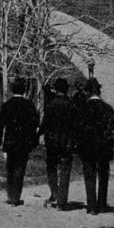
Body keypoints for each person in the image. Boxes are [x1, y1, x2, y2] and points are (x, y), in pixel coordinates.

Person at [77, 78, 114, 215]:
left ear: (88, 92)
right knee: (103, 175)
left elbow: (77, 129)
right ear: (99, 91)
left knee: (89, 174)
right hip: (103, 146)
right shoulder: (107, 108)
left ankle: (91, 206)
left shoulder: (82, 108)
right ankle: (102, 204)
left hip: (87, 147)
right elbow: (113, 129)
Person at [0, 78, 39, 206]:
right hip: (24, 143)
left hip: (10, 142)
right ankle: (16, 196)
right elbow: (34, 124)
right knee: (20, 169)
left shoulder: (7, 105)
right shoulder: (29, 105)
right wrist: (34, 141)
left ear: (12, 90)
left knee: (10, 169)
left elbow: (0, 126)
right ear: (24, 90)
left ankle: (10, 195)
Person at [39, 78, 77, 210]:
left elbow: (45, 124)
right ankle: (62, 201)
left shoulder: (50, 105)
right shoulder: (71, 105)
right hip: (66, 142)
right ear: (66, 89)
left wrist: (39, 134)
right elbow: (75, 125)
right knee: (65, 171)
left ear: (55, 89)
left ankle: (54, 192)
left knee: (51, 168)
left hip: (52, 142)